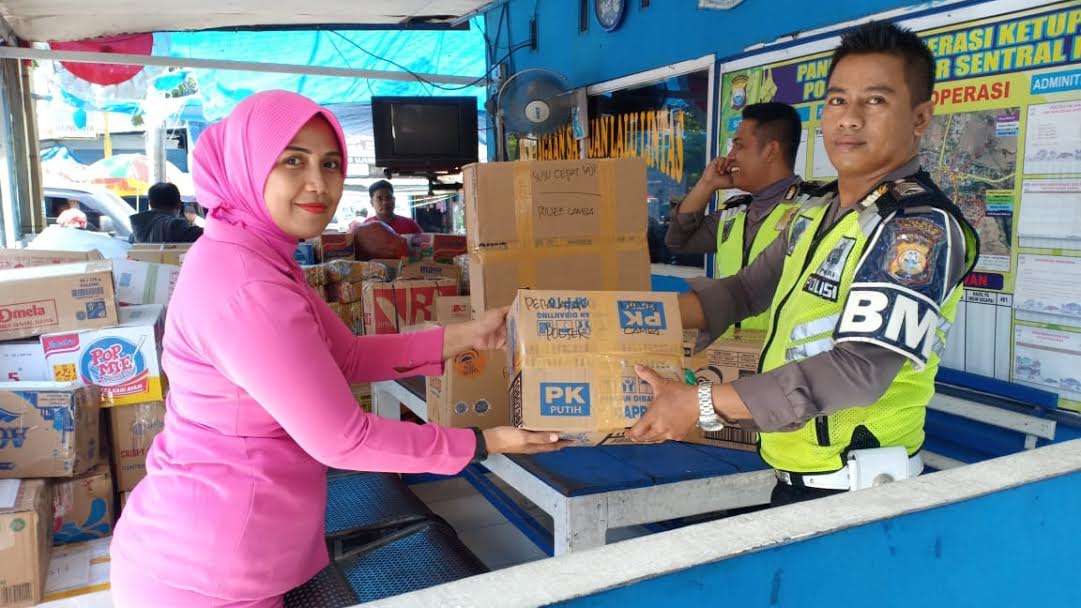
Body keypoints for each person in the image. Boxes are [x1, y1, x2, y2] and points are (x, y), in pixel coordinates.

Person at [109, 91, 565, 607]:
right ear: (246, 165)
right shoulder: (247, 286)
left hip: (223, 540)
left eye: (330, 164)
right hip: (206, 570)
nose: (318, 184)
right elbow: (342, 440)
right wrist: (486, 442)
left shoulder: (254, 254)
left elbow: (343, 355)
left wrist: (468, 334)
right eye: (292, 161)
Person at [627, 21, 979, 508]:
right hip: (797, 471)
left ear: (920, 117)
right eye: (837, 100)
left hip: (859, 490)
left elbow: (859, 368)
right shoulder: (814, 214)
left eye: (874, 101)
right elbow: (744, 293)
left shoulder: (917, 226)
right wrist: (619, 318)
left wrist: (701, 402)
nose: (849, 119)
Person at [666, 102, 814, 331]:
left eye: (738, 146)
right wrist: (707, 184)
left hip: (777, 358)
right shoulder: (735, 213)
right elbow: (677, 240)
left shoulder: (812, 211)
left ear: (771, 151)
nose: (730, 157)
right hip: (729, 355)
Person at [129, 181, 204, 243]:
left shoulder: (135, 233)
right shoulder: (176, 226)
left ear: (150, 204)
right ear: (178, 204)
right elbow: (208, 235)